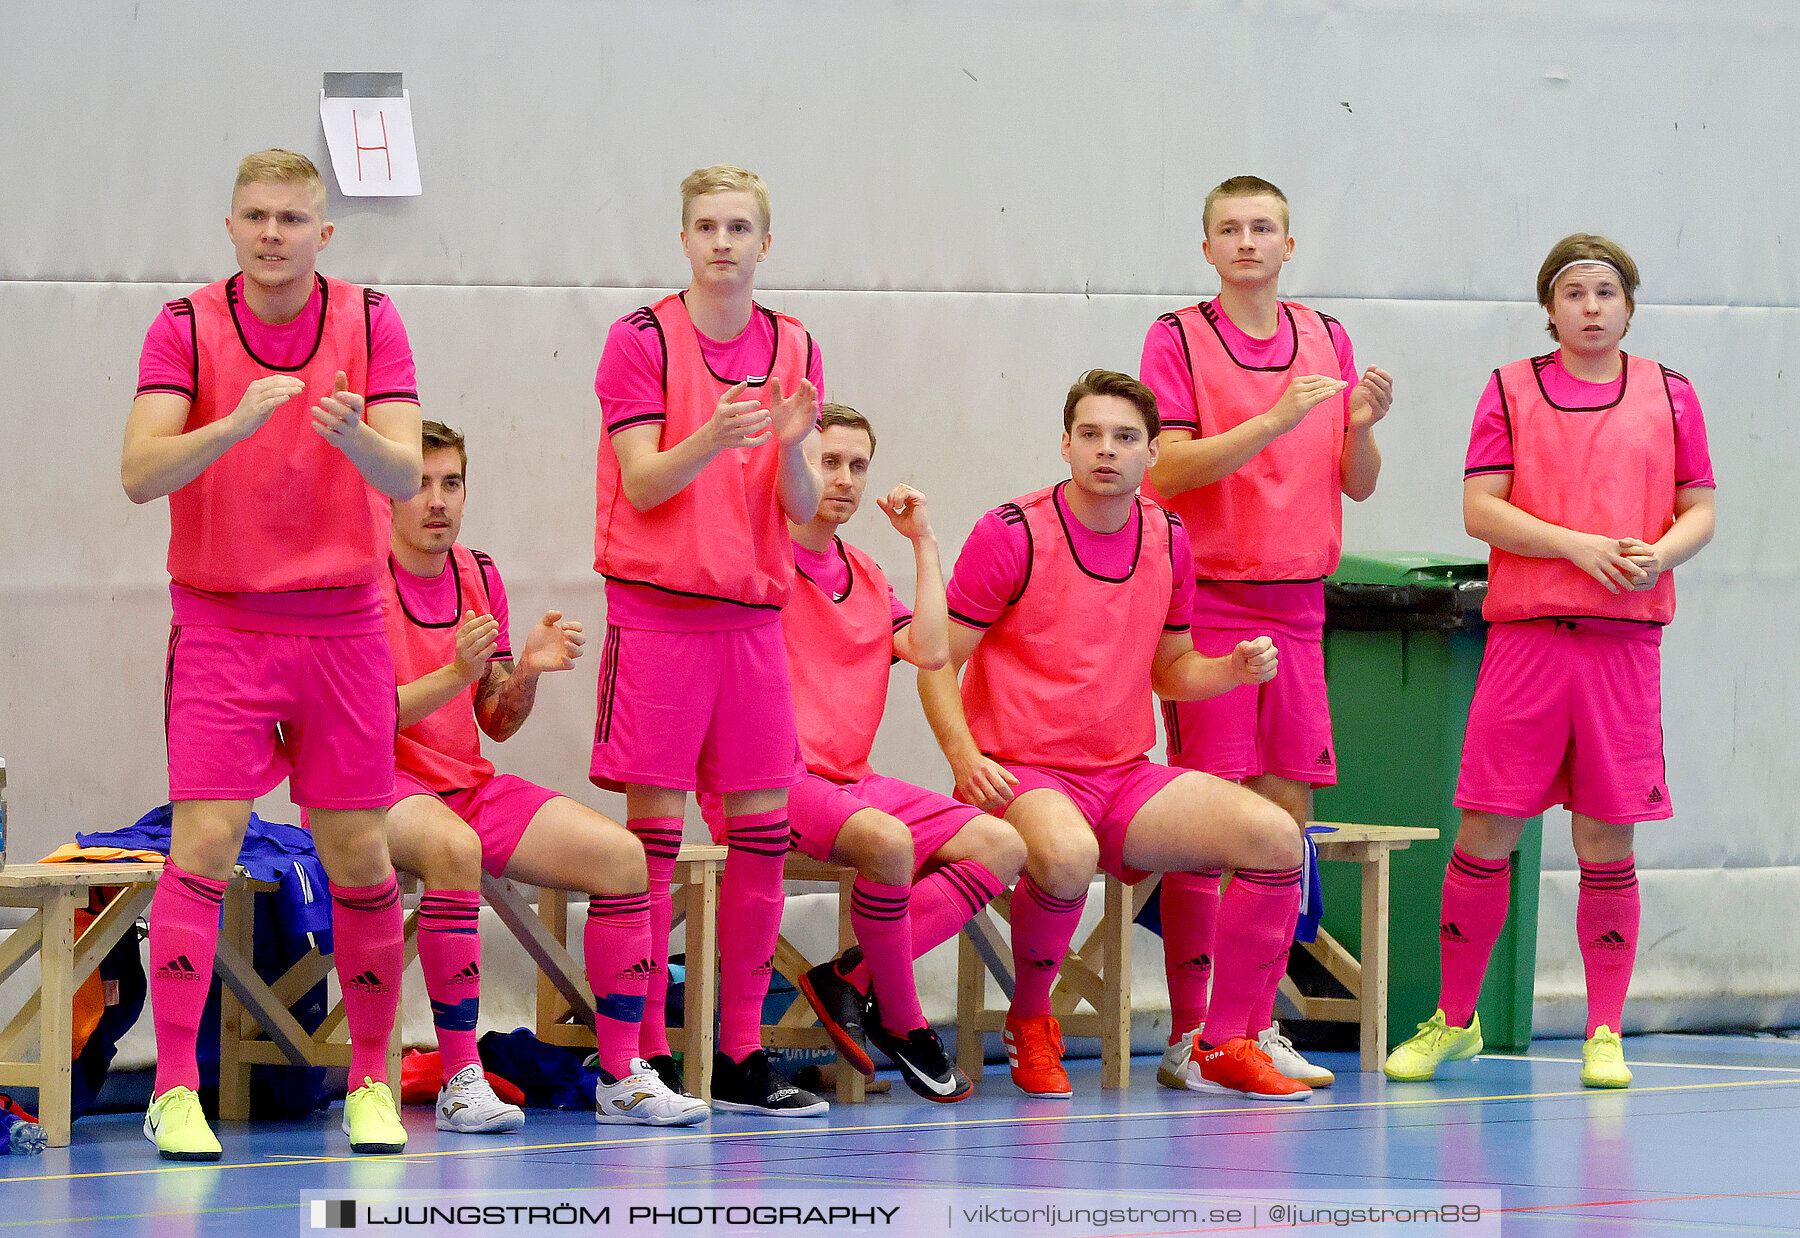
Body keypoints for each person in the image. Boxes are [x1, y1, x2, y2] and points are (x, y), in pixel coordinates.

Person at [122, 150, 422, 1158]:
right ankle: (174, 1087)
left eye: (293, 218)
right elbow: (137, 471)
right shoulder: (184, 325)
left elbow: (403, 465)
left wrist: (352, 441)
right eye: (256, 215)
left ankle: (373, 1078)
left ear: (323, 233)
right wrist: (234, 422)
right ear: (230, 225)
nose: (273, 232)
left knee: (359, 851)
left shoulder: (373, 319)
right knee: (204, 839)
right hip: (222, 619)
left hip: (340, 621)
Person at [918, 369, 1312, 1101]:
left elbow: (1170, 669)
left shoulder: (1168, 537)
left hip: (1123, 775)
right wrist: (963, 756)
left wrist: (1228, 670)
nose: (1107, 450)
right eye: (1091, 435)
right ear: (1065, 445)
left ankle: (1217, 1045)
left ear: (1152, 453)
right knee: (1066, 854)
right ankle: (1030, 1021)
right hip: (1018, 769)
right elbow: (935, 658)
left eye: (1125, 437)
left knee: (1276, 837)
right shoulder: (1011, 533)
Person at [1384, 234, 1715, 1090]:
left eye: (1607, 291)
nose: (1593, 306)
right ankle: (1456, 1020)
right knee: (1488, 828)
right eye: (1575, 292)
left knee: (1606, 837)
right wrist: (1579, 548)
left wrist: (1661, 554)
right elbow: (1480, 511)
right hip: (1527, 642)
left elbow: (1700, 510)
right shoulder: (1509, 389)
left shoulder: (1672, 395)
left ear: (1630, 305)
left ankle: (1603, 1031)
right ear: (1550, 309)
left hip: (1621, 647)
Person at [1137, 175, 1394, 1092]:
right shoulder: (1177, 337)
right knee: (1213, 823)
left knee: (1286, 819)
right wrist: (1274, 417)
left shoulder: (1328, 337)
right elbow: (1165, 469)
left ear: (1290, 244)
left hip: (1301, 603)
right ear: (1206, 248)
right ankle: (1188, 1036)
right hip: (1211, 598)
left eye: (1263, 228)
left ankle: (1251, 1027)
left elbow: (1355, 481)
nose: (1247, 242)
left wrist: (1358, 429)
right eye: (1229, 230)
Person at [380, 421, 709, 1129]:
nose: (436, 501)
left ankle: (622, 1074)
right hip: (374, 789)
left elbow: (494, 719)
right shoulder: (355, 578)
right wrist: (453, 674)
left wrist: (523, 671)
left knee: (625, 857)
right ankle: (461, 1076)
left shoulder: (478, 576)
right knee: (454, 851)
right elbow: (359, 722)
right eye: (418, 485)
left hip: (467, 785)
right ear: (385, 494)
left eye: (452, 483)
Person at [591, 165, 828, 1117]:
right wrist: (718, 437)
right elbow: (644, 484)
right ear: (683, 240)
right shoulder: (639, 339)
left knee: (761, 837)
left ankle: (739, 1053)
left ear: (765, 244)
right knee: (652, 841)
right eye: (705, 227)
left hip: (755, 615)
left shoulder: (796, 342)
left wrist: (792, 443)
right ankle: (645, 1053)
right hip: (658, 611)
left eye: (739, 228)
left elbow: (803, 509)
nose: (722, 242)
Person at [743, 404, 1025, 1102]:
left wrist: (923, 542)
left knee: (1002, 844)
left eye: (857, 465)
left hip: (851, 782)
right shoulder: (761, 553)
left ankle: (853, 977)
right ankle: (903, 1021)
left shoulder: (866, 573)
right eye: (826, 461)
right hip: (769, 781)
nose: (842, 478)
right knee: (890, 844)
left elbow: (932, 651)